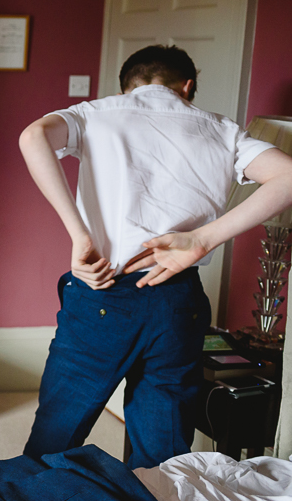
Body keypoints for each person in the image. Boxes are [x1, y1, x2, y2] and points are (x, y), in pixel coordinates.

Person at [18, 44, 292, 468]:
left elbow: (32, 136)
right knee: (162, 458)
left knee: (56, 436)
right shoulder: (222, 129)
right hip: (177, 299)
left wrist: (79, 234)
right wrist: (203, 238)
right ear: (188, 86)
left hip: (102, 290)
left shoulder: (95, 112)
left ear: (128, 87)